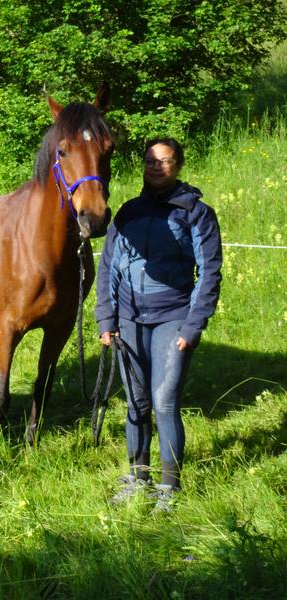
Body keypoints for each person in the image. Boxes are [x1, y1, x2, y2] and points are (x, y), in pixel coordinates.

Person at [95, 137, 222, 512]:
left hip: (174, 316)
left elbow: (210, 273)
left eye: (164, 161)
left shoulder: (196, 213)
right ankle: (137, 477)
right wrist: (107, 317)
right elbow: (108, 268)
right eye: (151, 161)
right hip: (129, 319)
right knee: (135, 402)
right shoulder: (127, 213)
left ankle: (169, 486)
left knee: (164, 402)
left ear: (178, 165)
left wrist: (192, 326)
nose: (157, 167)